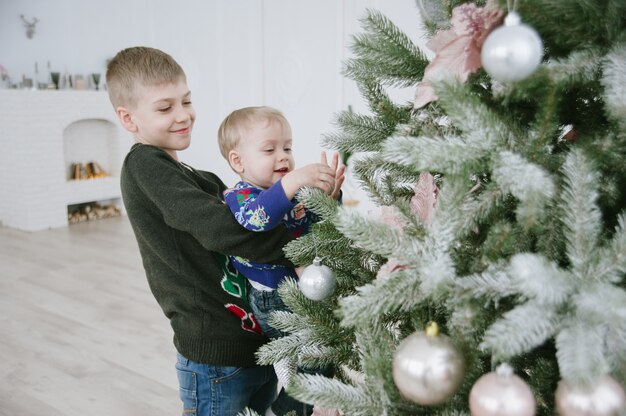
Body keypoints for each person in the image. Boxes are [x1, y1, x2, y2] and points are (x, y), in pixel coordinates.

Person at [105, 47, 323, 416]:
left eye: (186, 101)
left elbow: (256, 213)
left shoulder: (199, 177)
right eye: (164, 108)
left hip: (252, 338)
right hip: (215, 353)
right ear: (128, 118)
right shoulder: (145, 165)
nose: (182, 115)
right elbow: (227, 231)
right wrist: (302, 248)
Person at [218, 106, 345, 415]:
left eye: (287, 147)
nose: (284, 157)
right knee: (319, 352)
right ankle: (288, 408)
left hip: (303, 288)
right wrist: (293, 182)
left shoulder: (290, 191)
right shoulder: (241, 195)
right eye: (270, 149)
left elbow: (311, 225)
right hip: (272, 299)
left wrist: (328, 197)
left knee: (326, 348)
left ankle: (293, 405)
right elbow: (257, 219)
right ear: (238, 161)